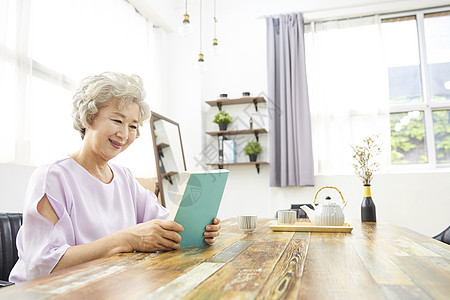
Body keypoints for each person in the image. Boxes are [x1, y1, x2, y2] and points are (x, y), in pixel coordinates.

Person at [9, 72, 221, 283]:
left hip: (106, 287)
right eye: (117, 120)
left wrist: (196, 228)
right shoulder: (52, 177)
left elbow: (167, 223)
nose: (124, 134)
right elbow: (42, 268)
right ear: (89, 117)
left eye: (132, 126)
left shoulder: (125, 178)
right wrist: (126, 240)